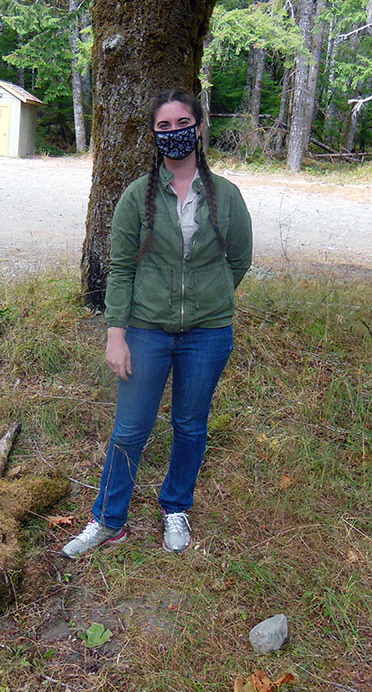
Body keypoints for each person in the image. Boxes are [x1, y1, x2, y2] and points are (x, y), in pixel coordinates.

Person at [62, 89, 253, 559]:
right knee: (130, 428)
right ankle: (109, 520)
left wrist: (208, 298)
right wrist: (116, 333)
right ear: (154, 134)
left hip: (208, 335)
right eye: (164, 126)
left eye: (182, 122)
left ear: (200, 126)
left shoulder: (226, 195)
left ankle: (175, 508)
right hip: (146, 330)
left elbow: (239, 260)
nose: (174, 133)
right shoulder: (135, 197)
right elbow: (121, 268)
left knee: (190, 425)